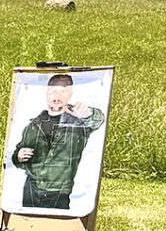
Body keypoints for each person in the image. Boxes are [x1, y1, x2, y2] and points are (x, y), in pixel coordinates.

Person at [11, 73, 105, 210]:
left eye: (63, 91)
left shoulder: (78, 123)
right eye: (53, 91)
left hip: (58, 193)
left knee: (57, 230)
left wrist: (89, 112)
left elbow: (98, 120)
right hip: (30, 190)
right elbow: (16, 155)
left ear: (70, 94)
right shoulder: (33, 124)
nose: (57, 96)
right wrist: (18, 156)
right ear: (47, 93)